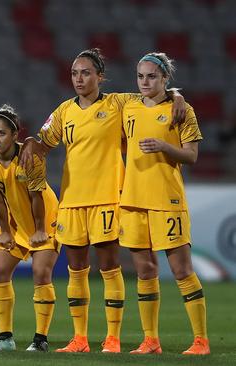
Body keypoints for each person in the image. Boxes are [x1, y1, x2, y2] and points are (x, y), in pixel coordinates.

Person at [21, 48, 185, 353]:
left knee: (109, 268)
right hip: (71, 200)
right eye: (74, 73)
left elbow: (155, 93)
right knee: (76, 270)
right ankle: (79, 339)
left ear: (100, 76)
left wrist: (178, 95)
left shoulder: (117, 103)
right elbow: (45, 143)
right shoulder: (64, 111)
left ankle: (112, 338)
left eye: (85, 72)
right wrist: (32, 143)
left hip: (108, 198)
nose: (79, 78)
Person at [119, 52, 209, 355]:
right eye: (140, 76)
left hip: (166, 199)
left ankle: (201, 341)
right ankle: (150, 341)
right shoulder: (128, 106)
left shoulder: (182, 110)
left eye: (152, 77)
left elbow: (192, 156)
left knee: (181, 269)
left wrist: (164, 146)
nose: (145, 82)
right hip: (132, 199)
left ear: (165, 79)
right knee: (144, 270)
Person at [0, 105, 59, 352]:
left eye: (1, 133)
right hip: (15, 221)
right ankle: (5, 338)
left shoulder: (29, 157)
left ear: (15, 135)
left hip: (46, 219)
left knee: (40, 274)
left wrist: (39, 230)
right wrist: (6, 232)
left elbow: (37, 197)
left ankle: (40, 340)